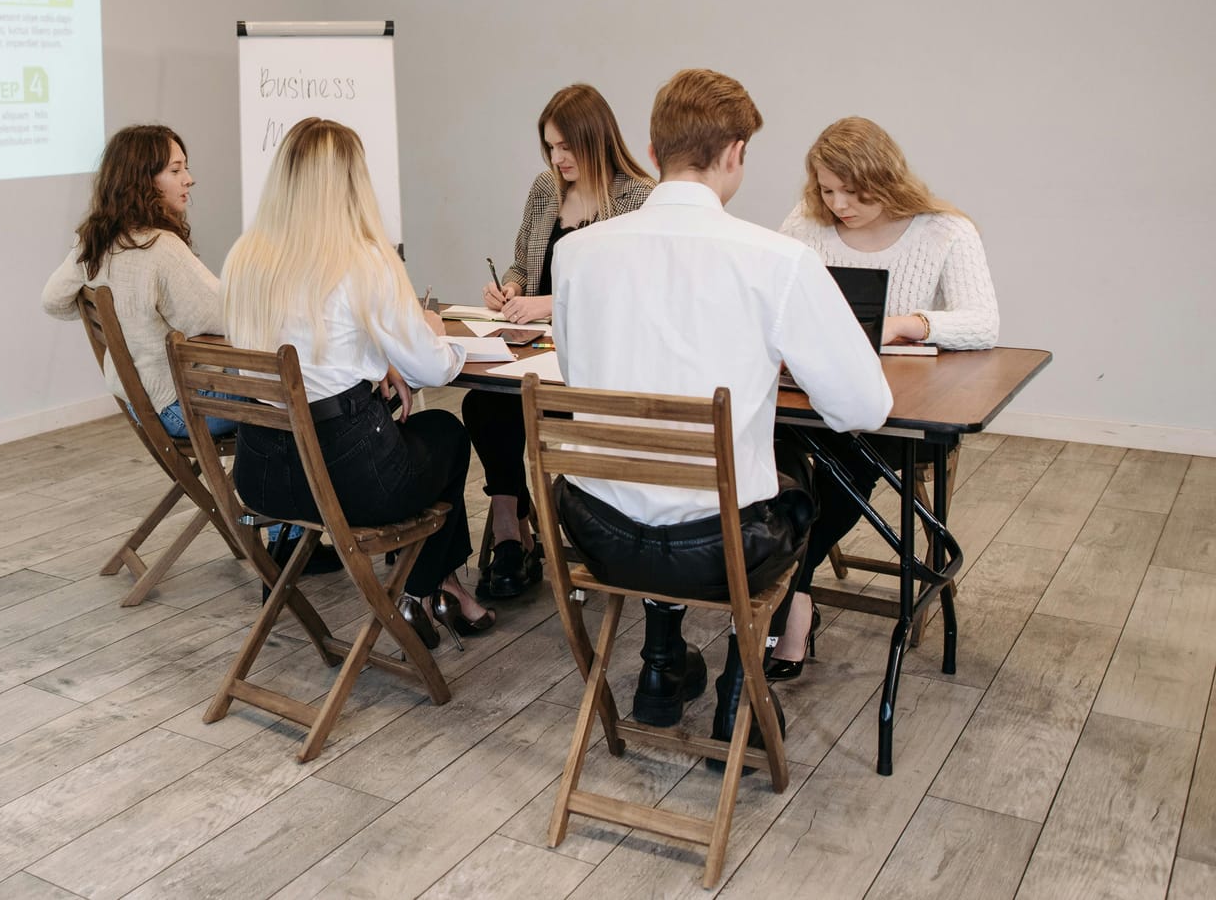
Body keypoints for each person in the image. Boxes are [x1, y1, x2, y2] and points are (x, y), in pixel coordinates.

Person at [549, 69, 892, 763]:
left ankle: (661, 665)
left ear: (653, 150)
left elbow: (578, 372)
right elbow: (865, 406)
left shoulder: (576, 254)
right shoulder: (779, 261)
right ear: (736, 152)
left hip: (597, 533)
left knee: (666, 476)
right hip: (716, 552)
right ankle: (741, 682)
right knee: (793, 477)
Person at [223, 117, 493, 647]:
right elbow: (432, 369)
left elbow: (313, 353)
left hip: (262, 476)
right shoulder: (364, 260)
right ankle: (421, 589)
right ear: (350, 183)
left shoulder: (245, 258)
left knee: (416, 432)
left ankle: (441, 589)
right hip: (351, 483)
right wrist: (434, 332)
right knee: (447, 433)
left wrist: (377, 363)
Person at [765, 117, 999, 679]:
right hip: (805, 398)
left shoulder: (944, 231)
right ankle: (790, 592)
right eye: (827, 190)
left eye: (853, 192)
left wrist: (906, 324)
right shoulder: (805, 224)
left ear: (886, 178)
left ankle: (790, 596)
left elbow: (983, 323)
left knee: (848, 458)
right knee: (768, 452)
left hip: (895, 411)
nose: (839, 204)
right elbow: (769, 297)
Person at [461, 84, 654, 600]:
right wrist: (510, 289)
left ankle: (546, 530)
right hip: (533, 351)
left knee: (526, 409)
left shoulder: (638, 197)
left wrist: (547, 305)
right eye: (550, 146)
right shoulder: (546, 189)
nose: (558, 158)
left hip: (596, 363)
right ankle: (511, 527)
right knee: (484, 404)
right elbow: (522, 264)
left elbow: (628, 293)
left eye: (567, 146)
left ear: (597, 139)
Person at [41, 124, 228, 440]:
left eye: (185, 168)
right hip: (183, 407)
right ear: (143, 180)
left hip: (140, 404)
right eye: (175, 170)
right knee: (297, 396)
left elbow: (53, 300)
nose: (189, 179)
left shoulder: (93, 241)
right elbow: (224, 315)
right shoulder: (160, 247)